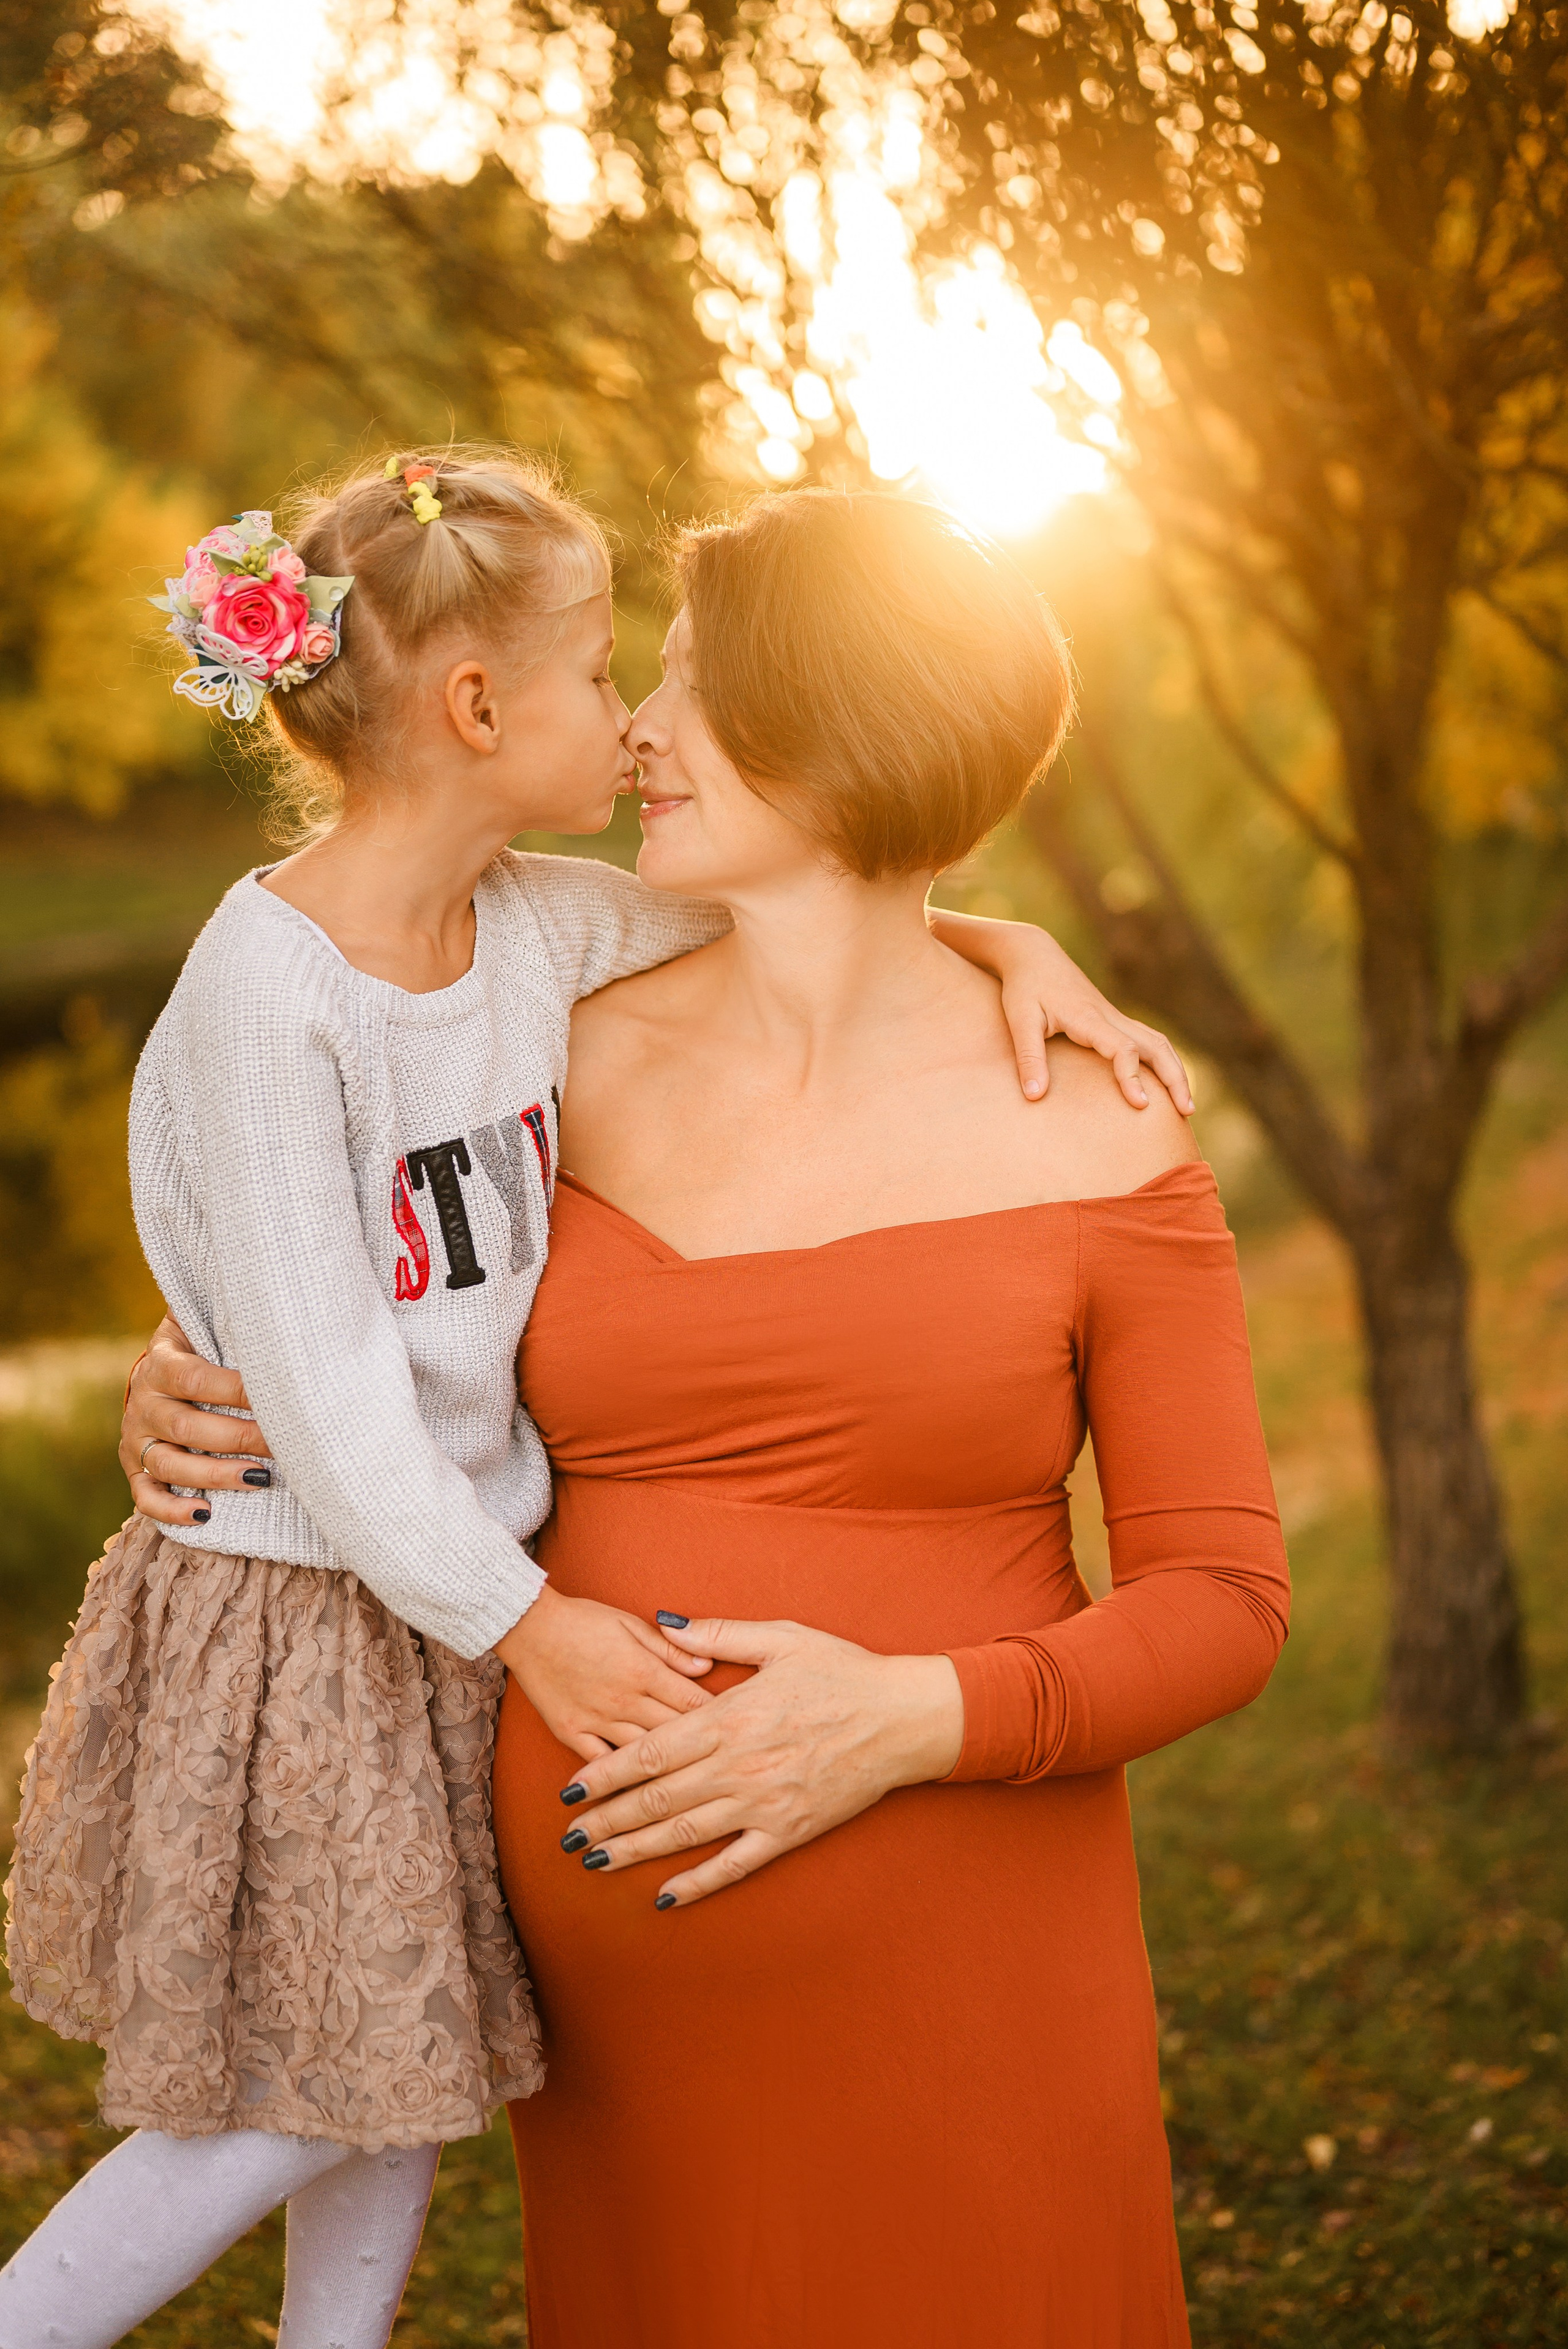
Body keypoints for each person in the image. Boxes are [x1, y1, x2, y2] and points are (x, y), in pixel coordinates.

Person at [5, 455, 1178, 2349]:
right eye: (609, 667)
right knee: (298, 2093)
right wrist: (534, 1624)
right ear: (478, 709)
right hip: (311, 1611)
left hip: (434, 1616)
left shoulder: (530, 928)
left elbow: (827, 907)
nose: (635, 716)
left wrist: (1010, 938)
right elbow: (320, 1389)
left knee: (384, 2081)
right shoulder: (268, 992)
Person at [484, 491, 1291, 2348]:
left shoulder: (1095, 1123)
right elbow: (330, 1280)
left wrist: (903, 1719)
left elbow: (1225, 1600)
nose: (635, 730)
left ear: (839, 736)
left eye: (690, 687)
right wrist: (194, 1382)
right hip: (627, 2035)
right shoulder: (549, 1061)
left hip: (970, 1972)